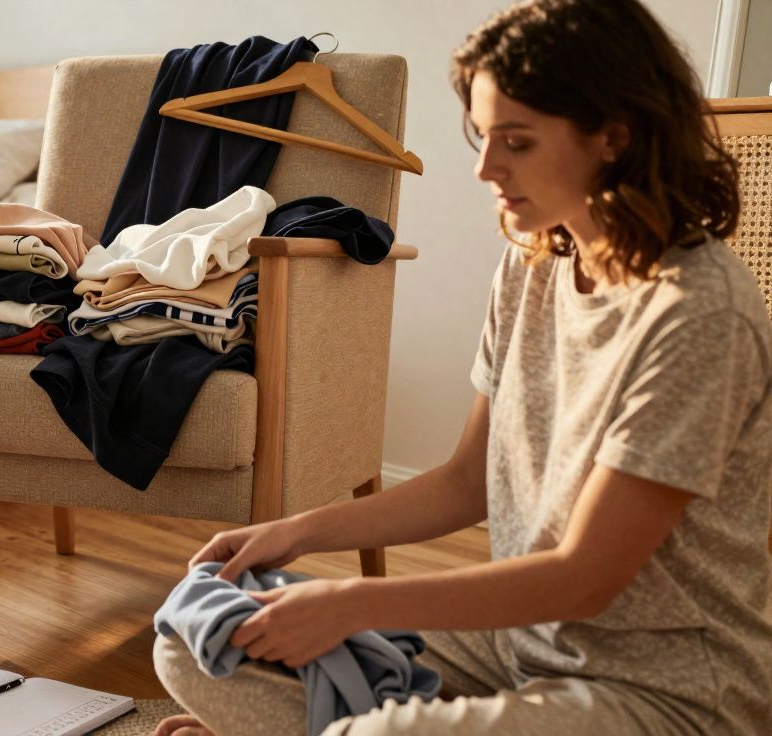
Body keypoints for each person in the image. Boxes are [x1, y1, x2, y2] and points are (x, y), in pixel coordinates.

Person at [153, 1, 772, 734]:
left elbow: (584, 580)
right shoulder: (536, 257)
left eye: (516, 141)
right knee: (199, 644)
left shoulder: (698, 315)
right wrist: (293, 535)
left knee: (363, 723)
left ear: (614, 136)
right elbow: (466, 481)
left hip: (669, 689)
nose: (485, 168)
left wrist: (349, 604)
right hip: (521, 644)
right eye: (482, 137)